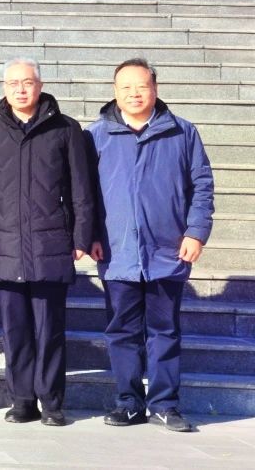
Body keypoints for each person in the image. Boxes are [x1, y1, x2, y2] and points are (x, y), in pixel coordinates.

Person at [86, 58, 215, 433]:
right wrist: (89, 235)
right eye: (126, 87)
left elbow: (202, 185)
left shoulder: (182, 132)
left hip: (167, 251)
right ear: (114, 92)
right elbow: (84, 193)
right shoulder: (96, 135)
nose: (134, 94)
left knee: (164, 331)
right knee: (122, 332)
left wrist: (195, 232)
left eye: (141, 86)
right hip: (117, 252)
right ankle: (128, 403)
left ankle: (164, 404)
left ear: (155, 89)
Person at [0, 57, 95, 426]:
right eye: (13, 83)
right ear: (4, 89)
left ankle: (52, 402)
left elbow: (81, 189)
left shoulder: (66, 129)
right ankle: (22, 400)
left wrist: (82, 235)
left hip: (50, 245)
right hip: (6, 246)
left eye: (27, 82)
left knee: (49, 330)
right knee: (16, 331)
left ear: (40, 86)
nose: (20, 89)